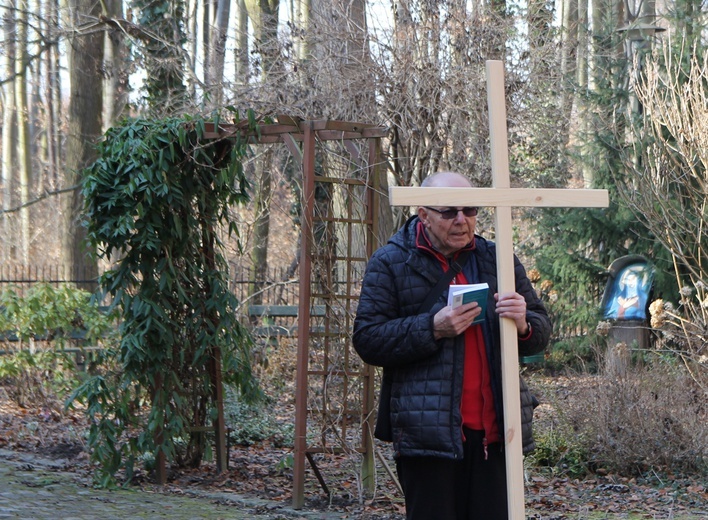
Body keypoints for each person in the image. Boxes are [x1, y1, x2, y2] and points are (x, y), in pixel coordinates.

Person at [353, 171, 551, 520]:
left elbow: (540, 331)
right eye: (449, 212)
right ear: (423, 214)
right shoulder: (391, 262)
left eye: (470, 210)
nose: (462, 220)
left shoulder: (497, 258)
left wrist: (523, 323)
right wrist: (432, 328)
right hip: (428, 437)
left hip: (496, 434)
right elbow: (368, 339)